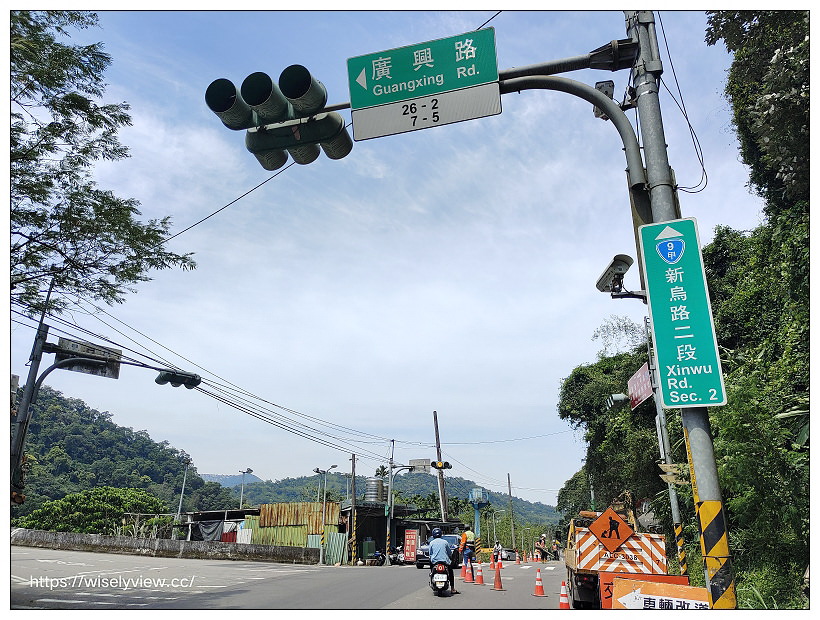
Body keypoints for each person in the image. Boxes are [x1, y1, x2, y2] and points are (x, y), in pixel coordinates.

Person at [429, 527, 458, 594]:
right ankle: (452, 588)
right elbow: (449, 552)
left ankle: (431, 574)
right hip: (445, 562)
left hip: (435, 562)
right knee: (450, 572)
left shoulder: (431, 543)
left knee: (431, 567)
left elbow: (430, 554)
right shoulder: (445, 542)